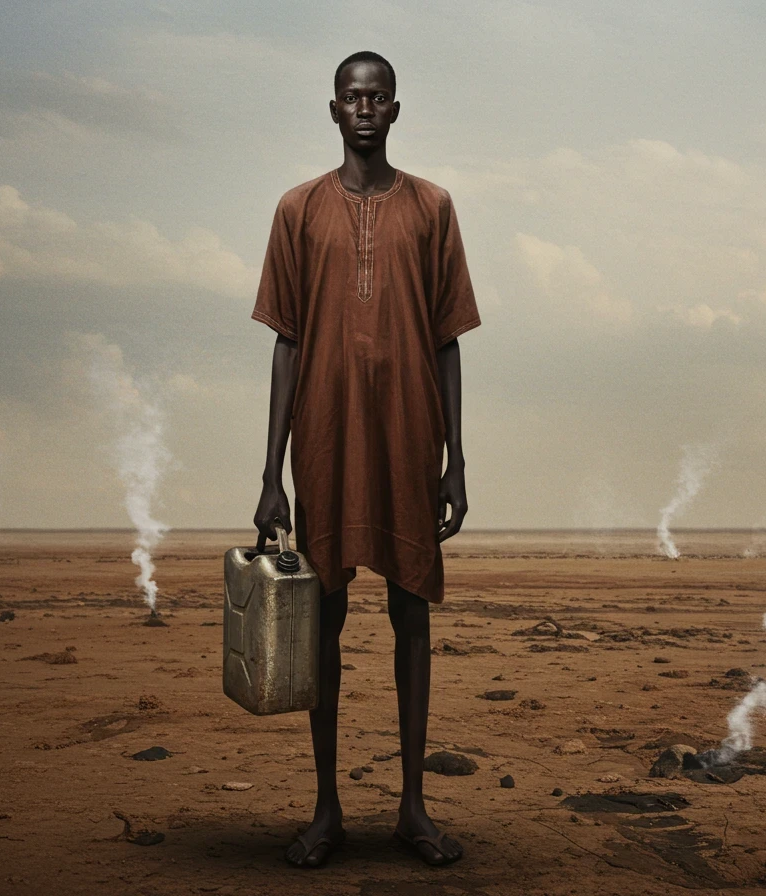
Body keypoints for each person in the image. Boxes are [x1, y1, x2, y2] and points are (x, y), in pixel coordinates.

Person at [251, 50, 481, 869]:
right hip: (324, 436)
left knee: (411, 612)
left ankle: (414, 808)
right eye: (353, 96)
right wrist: (270, 473)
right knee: (324, 621)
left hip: (411, 435)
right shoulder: (297, 209)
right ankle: (326, 810)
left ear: (394, 109)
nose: (365, 108)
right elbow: (285, 344)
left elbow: (448, 339)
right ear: (334, 109)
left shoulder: (433, 207)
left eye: (378, 96)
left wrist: (455, 459)